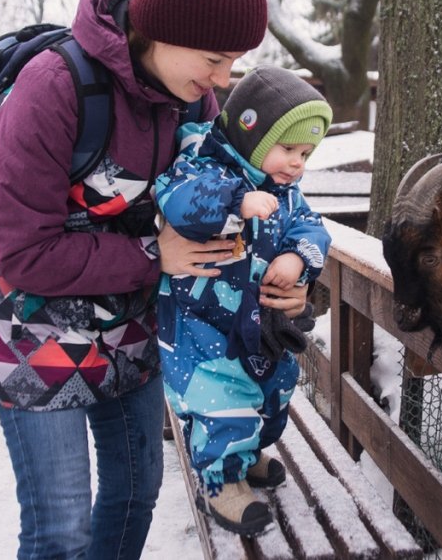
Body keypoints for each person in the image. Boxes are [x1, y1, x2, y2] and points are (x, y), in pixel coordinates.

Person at [0, 0, 307, 559]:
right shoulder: (52, 87)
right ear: (165, 31)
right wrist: (156, 255)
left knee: (134, 496)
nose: (222, 79)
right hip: (32, 337)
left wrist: (284, 277)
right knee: (61, 525)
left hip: (131, 330)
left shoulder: (197, 105)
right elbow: (23, 252)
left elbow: (232, 211)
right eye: (214, 59)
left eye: (233, 62)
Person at [154, 65, 333, 536]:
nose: (297, 163)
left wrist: (298, 259)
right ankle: (220, 481)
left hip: (259, 329)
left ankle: (249, 453)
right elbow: (177, 199)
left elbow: (312, 228)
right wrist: (235, 200)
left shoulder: (287, 192)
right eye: (288, 149)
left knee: (274, 393)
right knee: (221, 401)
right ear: (252, 135)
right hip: (202, 325)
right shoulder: (203, 164)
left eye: (305, 154)